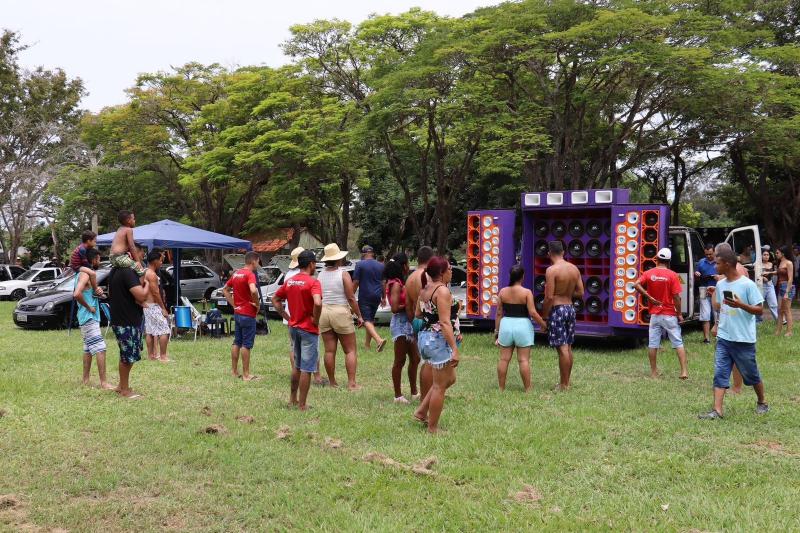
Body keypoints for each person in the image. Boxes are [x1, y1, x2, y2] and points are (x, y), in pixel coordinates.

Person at [699, 243, 768, 419]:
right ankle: (717, 410)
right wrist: (716, 323)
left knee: (751, 375)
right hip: (724, 337)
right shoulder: (721, 284)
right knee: (720, 373)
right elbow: (719, 307)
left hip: (743, 339)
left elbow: (759, 310)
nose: (715, 266)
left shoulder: (747, 285)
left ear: (727, 264)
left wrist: (740, 305)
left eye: (718, 263)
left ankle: (762, 402)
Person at [413, 256, 461, 434]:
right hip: (437, 340)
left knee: (450, 379)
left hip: (425, 338)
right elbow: (445, 323)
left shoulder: (425, 289)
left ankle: (421, 410)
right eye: (449, 269)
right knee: (440, 386)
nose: (451, 271)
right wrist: (454, 348)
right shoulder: (442, 291)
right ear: (441, 273)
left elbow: (418, 313)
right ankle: (433, 428)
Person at [273, 250, 322, 411]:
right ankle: (302, 405)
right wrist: (315, 319)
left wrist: (286, 317)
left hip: (293, 327)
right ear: (311, 264)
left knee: (297, 366)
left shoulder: (290, 281)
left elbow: (275, 299)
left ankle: (292, 399)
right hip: (308, 329)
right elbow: (318, 303)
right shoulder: (313, 282)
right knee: (307, 368)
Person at [633, 248, 689, 379]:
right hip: (669, 314)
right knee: (678, 342)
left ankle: (653, 373)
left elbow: (636, 284)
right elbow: (676, 297)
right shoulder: (673, 275)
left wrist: (648, 296)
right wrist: (679, 313)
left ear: (656, 259)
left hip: (655, 316)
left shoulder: (649, 273)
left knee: (653, 344)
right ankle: (684, 372)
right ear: (669, 261)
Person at [318, 243, 364, 390]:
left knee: (329, 350)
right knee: (350, 350)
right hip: (340, 311)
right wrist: (359, 315)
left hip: (324, 312)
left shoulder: (320, 274)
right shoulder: (343, 274)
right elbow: (351, 297)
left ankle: (332, 383)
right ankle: (351, 383)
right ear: (338, 259)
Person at [495, 265, 548, 392]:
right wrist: (543, 324)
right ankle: (528, 389)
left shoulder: (502, 292)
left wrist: (497, 332)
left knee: (503, 359)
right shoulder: (526, 292)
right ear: (522, 277)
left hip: (506, 325)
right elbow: (533, 313)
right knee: (523, 360)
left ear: (510, 276)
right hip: (523, 326)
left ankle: (501, 388)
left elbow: (498, 313)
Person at [109, 246, 150, 399]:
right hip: (126, 319)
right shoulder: (127, 272)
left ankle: (121, 385)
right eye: (141, 254)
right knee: (127, 356)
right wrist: (147, 283)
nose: (141, 258)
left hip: (124, 318)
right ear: (131, 254)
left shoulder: (115, 270)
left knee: (128, 355)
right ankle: (125, 390)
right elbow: (141, 297)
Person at [541, 241, 583, 390]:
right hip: (570, 308)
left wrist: (544, 317)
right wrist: (566, 292)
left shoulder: (551, 271)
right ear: (563, 252)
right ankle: (566, 381)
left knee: (562, 348)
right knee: (568, 346)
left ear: (549, 254)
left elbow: (549, 297)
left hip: (557, 309)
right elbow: (581, 292)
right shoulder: (574, 268)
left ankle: (564, 385)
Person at [73, 248, 114, 390]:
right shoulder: (85, 274)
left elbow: (87, 292)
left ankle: (85, 380)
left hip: (86, 317)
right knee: (101, 349)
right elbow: (77, 294)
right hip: (89, 317)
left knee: (88, 349)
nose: (99, 261)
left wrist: (98, 292)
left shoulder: (85, 275)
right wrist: (89, 307)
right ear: (93, 260)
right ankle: (104, 383)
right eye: (98, 259)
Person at [384, 253, 420, 403]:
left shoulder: (398, 282)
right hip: (400, 324)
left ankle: (414, 391)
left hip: (407, 323)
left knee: (415, 358)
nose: (408, 267)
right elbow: (393, 307)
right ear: (403, 266)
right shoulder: (396, 284)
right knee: (399, 360)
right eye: (407, 264)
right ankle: (398, 395)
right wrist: (410, 305)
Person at [222, 251, 261, 381]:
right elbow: (253, 290)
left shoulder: (236, 273)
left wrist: (234, 305)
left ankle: (234, 371)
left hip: (238, 313)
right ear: (253, 261)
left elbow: (225, 290)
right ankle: (246, 374)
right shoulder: (250, 274)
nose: (258, 265)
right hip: (248, 313)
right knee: (246, 344)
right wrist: (256, 303)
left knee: (237, 342)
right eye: (258, 262)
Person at [405, 246, 434, 400]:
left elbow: (409, 307)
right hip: (431, 322)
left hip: (416, 322)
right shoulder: (429, 276)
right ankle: (428, 393)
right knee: (431, 361)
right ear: (431, 259)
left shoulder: (410, 278)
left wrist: (415, 325)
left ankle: (421, 392)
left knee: (422, 360)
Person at [352, 245, 387, 352]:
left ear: (363, 254)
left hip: (365, 296)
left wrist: (350, 296)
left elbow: (356, 282)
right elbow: (383, 283)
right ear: (372, 253)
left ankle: (379, 340)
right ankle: (367, 345)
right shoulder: (381, 265)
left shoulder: (360, 265)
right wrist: (384, 297)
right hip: (376, 297)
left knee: (366, 320)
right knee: (370, 320)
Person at [143, 250, 171, 362]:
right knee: (164, 330)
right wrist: (163, 308)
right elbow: (155, 293)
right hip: (153, 305)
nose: (161, 262)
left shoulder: (144, 271)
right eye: (160, 260)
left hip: (146, 306)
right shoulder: (152, 274)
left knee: (150, 330)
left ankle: (151, 356)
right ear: (155, 261)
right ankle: (163, 356)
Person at [109, 210, 146, 277]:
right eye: (133, 219)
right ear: (129, 220)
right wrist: (138, 261)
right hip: (120, 258)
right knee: (141, 271)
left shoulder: (120, 229)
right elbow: (132, 246)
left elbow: (126, 246)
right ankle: (140, 285)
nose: (135, 221)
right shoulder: (128, 230)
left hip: (112, 258)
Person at [695, 244, 719, 343]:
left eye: (710, 254)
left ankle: (719, 336)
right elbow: (696, 276)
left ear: (714, 252)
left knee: (717, 314)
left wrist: (718, 277)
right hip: (703, 289)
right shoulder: (701, 262)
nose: (708, 256)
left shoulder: (719, 262)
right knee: (705, 315)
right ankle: (706, 338)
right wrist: (697, 274)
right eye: (706, 254)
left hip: (716, 289)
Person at [69, 230, 103, 297]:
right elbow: (85, 262)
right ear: (88, 241)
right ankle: (95, 290)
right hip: (77, 266)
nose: (95, 243)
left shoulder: (85, 248)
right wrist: (90, 268)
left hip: (79, 265)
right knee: (92, 273)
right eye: (94, 241)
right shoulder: (82, 249)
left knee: (91, 273)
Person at [774, 245, 795, 337]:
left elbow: (790, 279)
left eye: (777, 252)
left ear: (783, 253)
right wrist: (769, 273)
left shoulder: (789, 263)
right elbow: (779, 273)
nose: (776, 254)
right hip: (780, 286)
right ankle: (778, 331)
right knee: (779, 310)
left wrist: (787, 292)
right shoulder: (780, 262)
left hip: (787, 287)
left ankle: (789, 332)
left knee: (786, 310)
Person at [761, 248, 779, 321]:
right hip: (761, 286)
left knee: (774, 304)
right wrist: (762, 278)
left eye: (767, 255)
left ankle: (778, 320)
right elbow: (755, 275)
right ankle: (758, 321)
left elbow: (775, 273)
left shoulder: (771, 264)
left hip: (770, 285)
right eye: (764, 255)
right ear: (761, 256)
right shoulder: (758, 264)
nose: (766, 256)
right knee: (759, 304)